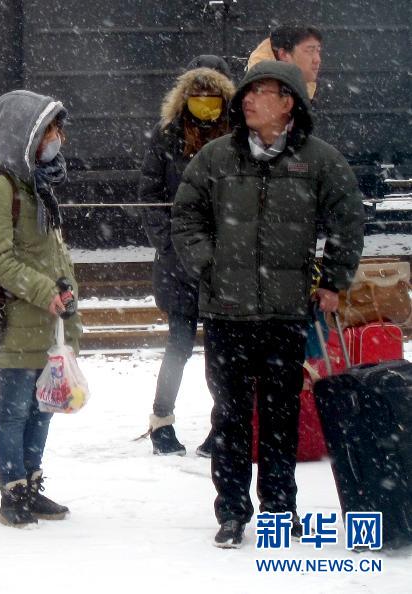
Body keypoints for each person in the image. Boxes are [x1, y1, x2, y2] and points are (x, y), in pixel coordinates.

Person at [171, 61, 364, 548]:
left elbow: (348, 219)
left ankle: (281, 507)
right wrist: (207, 265)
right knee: (230, 416)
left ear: (289, 103)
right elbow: (185, 216)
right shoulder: (216, 158)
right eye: (248, 92)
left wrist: (334, 280)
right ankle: (232, 512)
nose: (248, 100)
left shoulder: (318, 161)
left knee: (280, 417)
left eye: (263, 92)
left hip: (285, 312)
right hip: (226, 313)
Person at [0, 90, 81, 527]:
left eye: (59, 129)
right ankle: (11, 491)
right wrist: (45, 290)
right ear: (25, 135)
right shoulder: (0, 190)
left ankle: (32, 486)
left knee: (42, 407)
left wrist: (68, 295)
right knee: (15, 409)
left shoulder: (39, 186)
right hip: (16, 322)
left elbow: (54, 255)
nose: (59, 139)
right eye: (50, 130)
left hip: (48, 324)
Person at [138, 55, 236, 456]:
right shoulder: (167, 135)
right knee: (179, 345)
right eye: (198, 95)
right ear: (185, 96)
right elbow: (150, 196)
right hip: (179, 263)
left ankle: (222, 426)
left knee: (221, 352)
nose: (205, 102)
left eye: (213, 95)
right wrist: (168, 243)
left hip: (223, 263)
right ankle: (162, 421)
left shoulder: (237, 136)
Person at [247, 25, 323, 101]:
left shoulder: (314, 89)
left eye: (318, 51)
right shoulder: (251, 95)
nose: (318, 60)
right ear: (284, 55)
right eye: (310, 51)